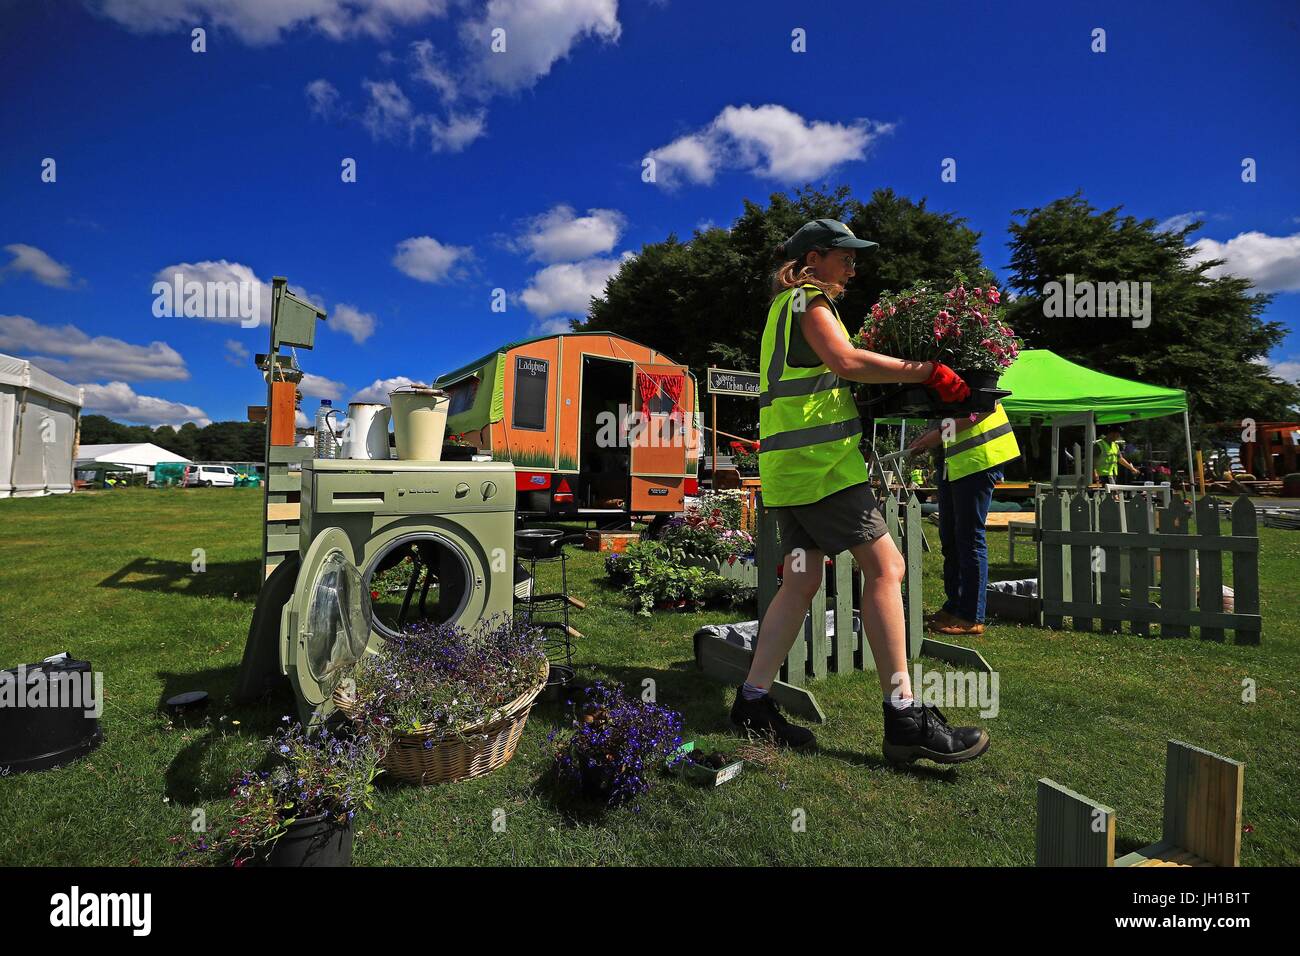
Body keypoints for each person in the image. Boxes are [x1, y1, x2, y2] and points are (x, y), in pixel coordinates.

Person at [730, 218, 990, 766]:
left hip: (792, 470)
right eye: (844, 256)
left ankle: (752, 701)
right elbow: (845, 363)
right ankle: (904, 718)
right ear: (813, 258)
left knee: (799, 582)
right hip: (823, 470)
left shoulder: (783, 310)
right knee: (887, 570)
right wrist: (928, 372)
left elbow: (827, 380)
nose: (853, 265)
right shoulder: (809, 302)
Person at [907, 402, 1021, 636]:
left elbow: (980, 410)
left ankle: (971, 616)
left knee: (969, 539)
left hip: (977, 460)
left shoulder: (972, 368)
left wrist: (936, 436)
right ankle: (954, 607)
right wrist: (931, 436)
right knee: (950, 537)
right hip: (954, 464)